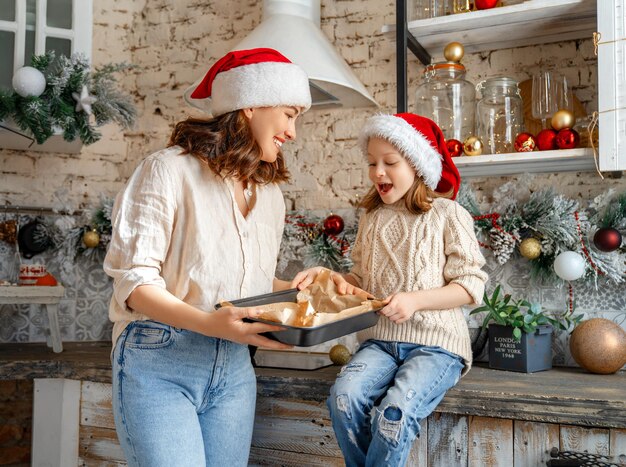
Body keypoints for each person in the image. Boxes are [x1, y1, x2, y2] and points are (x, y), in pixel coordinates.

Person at [103, 48, 312, 467]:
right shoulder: (167, 170)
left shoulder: (269, 195)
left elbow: (245, 280)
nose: (292, 131)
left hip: (235, 367)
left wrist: (301, 290)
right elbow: (135, 284)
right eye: (289, 114)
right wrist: (207, 323)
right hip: (161, 358)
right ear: (249, 103)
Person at [292, 113, 488, 467]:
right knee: (343, 398)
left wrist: (415, 301)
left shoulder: (448, 214)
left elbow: (471, 286)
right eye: (371, 163)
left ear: (417, 163)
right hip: (379, 342)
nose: (377, 172)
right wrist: (332, 278)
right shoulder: (371, 218)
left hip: (436, 347)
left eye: (389, 163)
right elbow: (361, 282)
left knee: (393, 415)